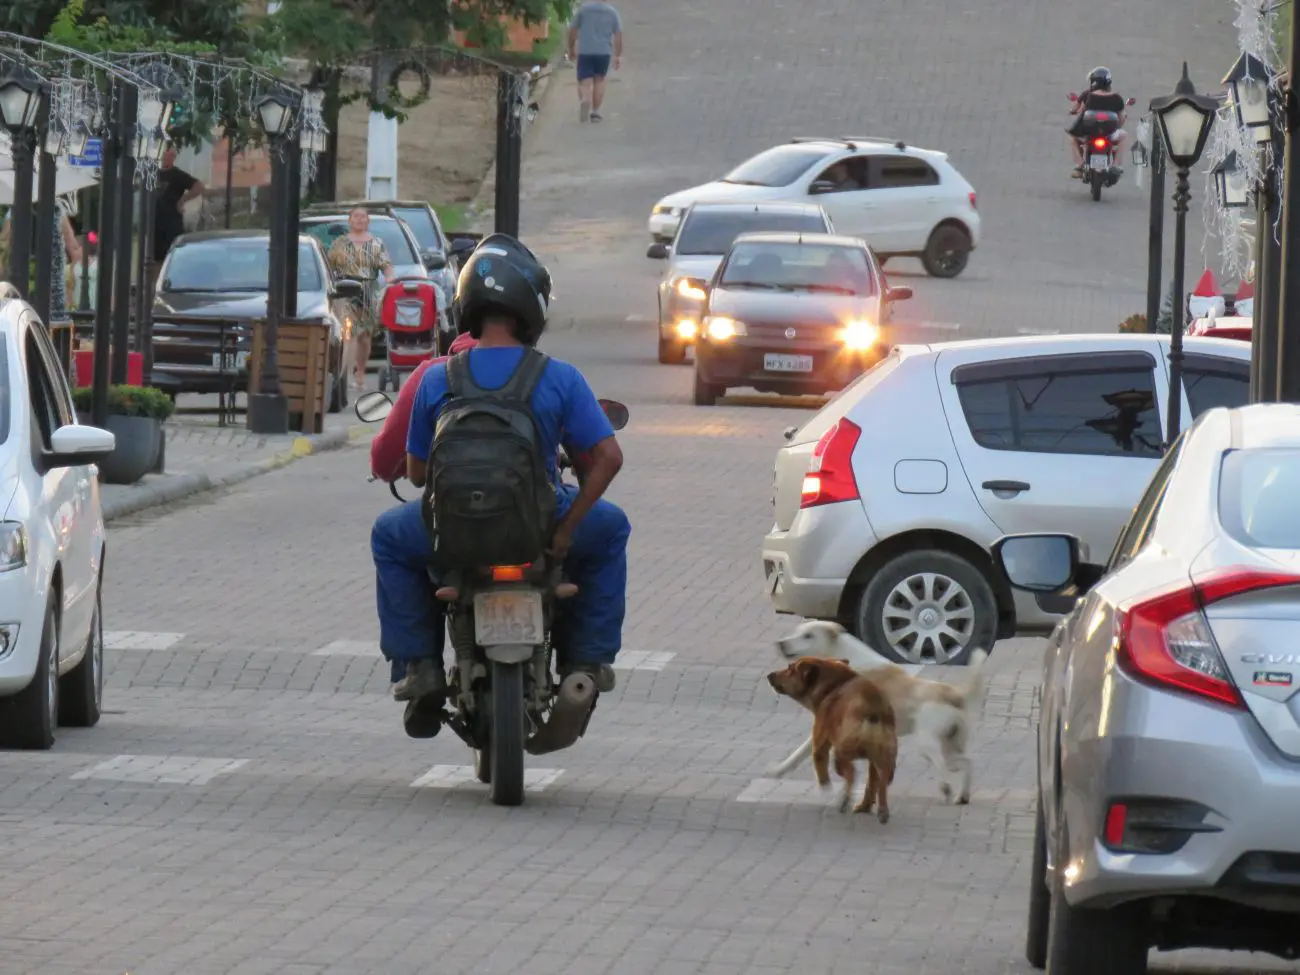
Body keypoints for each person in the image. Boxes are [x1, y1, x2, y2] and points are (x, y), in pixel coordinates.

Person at [370, 233, 630, 737]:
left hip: (451, 531)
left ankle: (418, 667)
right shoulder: (560, 377)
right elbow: (608, 458)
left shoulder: (434, 378)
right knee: (612, 529)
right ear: (531, 308)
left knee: (389, 536)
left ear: (467, 306)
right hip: (540, 524)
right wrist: (566, 530)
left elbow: (418, 474)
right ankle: (586, 664)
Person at [327, 207, 394, 390]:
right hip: (345, 290)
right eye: (355, 216)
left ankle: (360, 372)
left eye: (363, 216)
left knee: (364, 335)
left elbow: (386, 266)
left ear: (367, 221)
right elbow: (329, 266)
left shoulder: (376, 243)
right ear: (349, 220)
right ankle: (345, 375)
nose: (359, 219)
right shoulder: (339, 243)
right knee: (348, 333)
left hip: (368, 291)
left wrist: (390, 279)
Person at [567, 1, 623, 123]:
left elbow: (572, 30)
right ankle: (595, 112)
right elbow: (618, 34)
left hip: (585, 51)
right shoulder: (612, 12)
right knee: (599, 80)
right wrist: (618, 55)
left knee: (584, 81)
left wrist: (571, 48)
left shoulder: (583, 10)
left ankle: (585, 99)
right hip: (604, 52)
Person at [153, 147, 205, 278]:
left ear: (174, 157)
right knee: (152, 258)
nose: (166, 157)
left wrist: (182, 200)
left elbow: (199, 186)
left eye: (171, 155)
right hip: (153, 221)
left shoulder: (178, 175)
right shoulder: (152, 173)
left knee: (172, 255)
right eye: (165, 154)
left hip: (171, 222)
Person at [1068, 66, 1128, 174]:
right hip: (1109, 134)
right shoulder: (1117, 98)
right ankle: (1116, 165)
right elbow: (1122, 118)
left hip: (1088, 133)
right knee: (1123, 137)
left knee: (1073, 137)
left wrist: (1072, 111)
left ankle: (1079, 164)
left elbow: (1074, 108)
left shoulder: (1087, 94)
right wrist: (1117, 127)